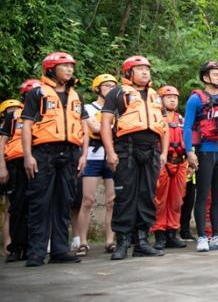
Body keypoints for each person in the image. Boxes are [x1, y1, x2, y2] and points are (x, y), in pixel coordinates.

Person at [21, 52, 89, 267]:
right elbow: (27, 126)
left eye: (71, 66)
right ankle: (36, 252)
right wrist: (28, 156)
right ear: (51, 69)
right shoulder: (37, 93)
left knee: (64, 202)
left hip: (70, 153)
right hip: (44, 152)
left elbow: (84, 126)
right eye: (64, 66)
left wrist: (84, 154)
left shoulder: (76, 95)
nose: (70, 70)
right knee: (40, 202)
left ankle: (60, 249)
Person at [101, 55, 168, 260]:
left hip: (152, 150)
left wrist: (163, 153)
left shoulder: (155, 96)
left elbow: (164, 127)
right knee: (125, 196)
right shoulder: (117, 93)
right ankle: (122, 242)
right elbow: (105, 124)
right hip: (126, 149)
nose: (145, 72)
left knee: (147, 196)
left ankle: (142, 241)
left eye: (147, 69)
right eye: (139, 69)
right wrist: (110, 152)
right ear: (129, 73)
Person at [183, 61, 218, 252]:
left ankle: (216, 235)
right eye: (215, 74)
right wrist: (189, 152)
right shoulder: (196, 100)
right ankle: (202, 237)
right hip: (205, 152)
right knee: (203, 195)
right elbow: (187, 126)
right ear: (205, 77)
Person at [75, 74, 118, 257]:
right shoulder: (88, 108)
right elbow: (94, 128)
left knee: (111, 201)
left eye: (113, 86)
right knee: (88, 200)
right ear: (98, 88)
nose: (110, 89)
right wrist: (109, 128)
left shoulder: (118, 110)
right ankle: (82, 242)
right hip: (93, 156)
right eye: (107, 85)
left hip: (111, 155)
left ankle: (110, 240)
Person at [0, 79, 41, 262]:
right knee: (17, 206)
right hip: (16, 163)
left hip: (40, 161)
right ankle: (16, 247)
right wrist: (2, 167)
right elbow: (2, 142)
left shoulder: (47, 112)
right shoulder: (14, 115)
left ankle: (36, 246)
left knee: (38, 205)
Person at [152, 86, 188, 250]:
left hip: (180, 162)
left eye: (175, 97)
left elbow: (188, 140)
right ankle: (159, 233)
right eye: (168, 97)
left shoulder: (182, 119)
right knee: (160, 200)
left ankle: (172, 233)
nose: (173, 99)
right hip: (162, 163)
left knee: (177, 200)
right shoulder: (156, 118)